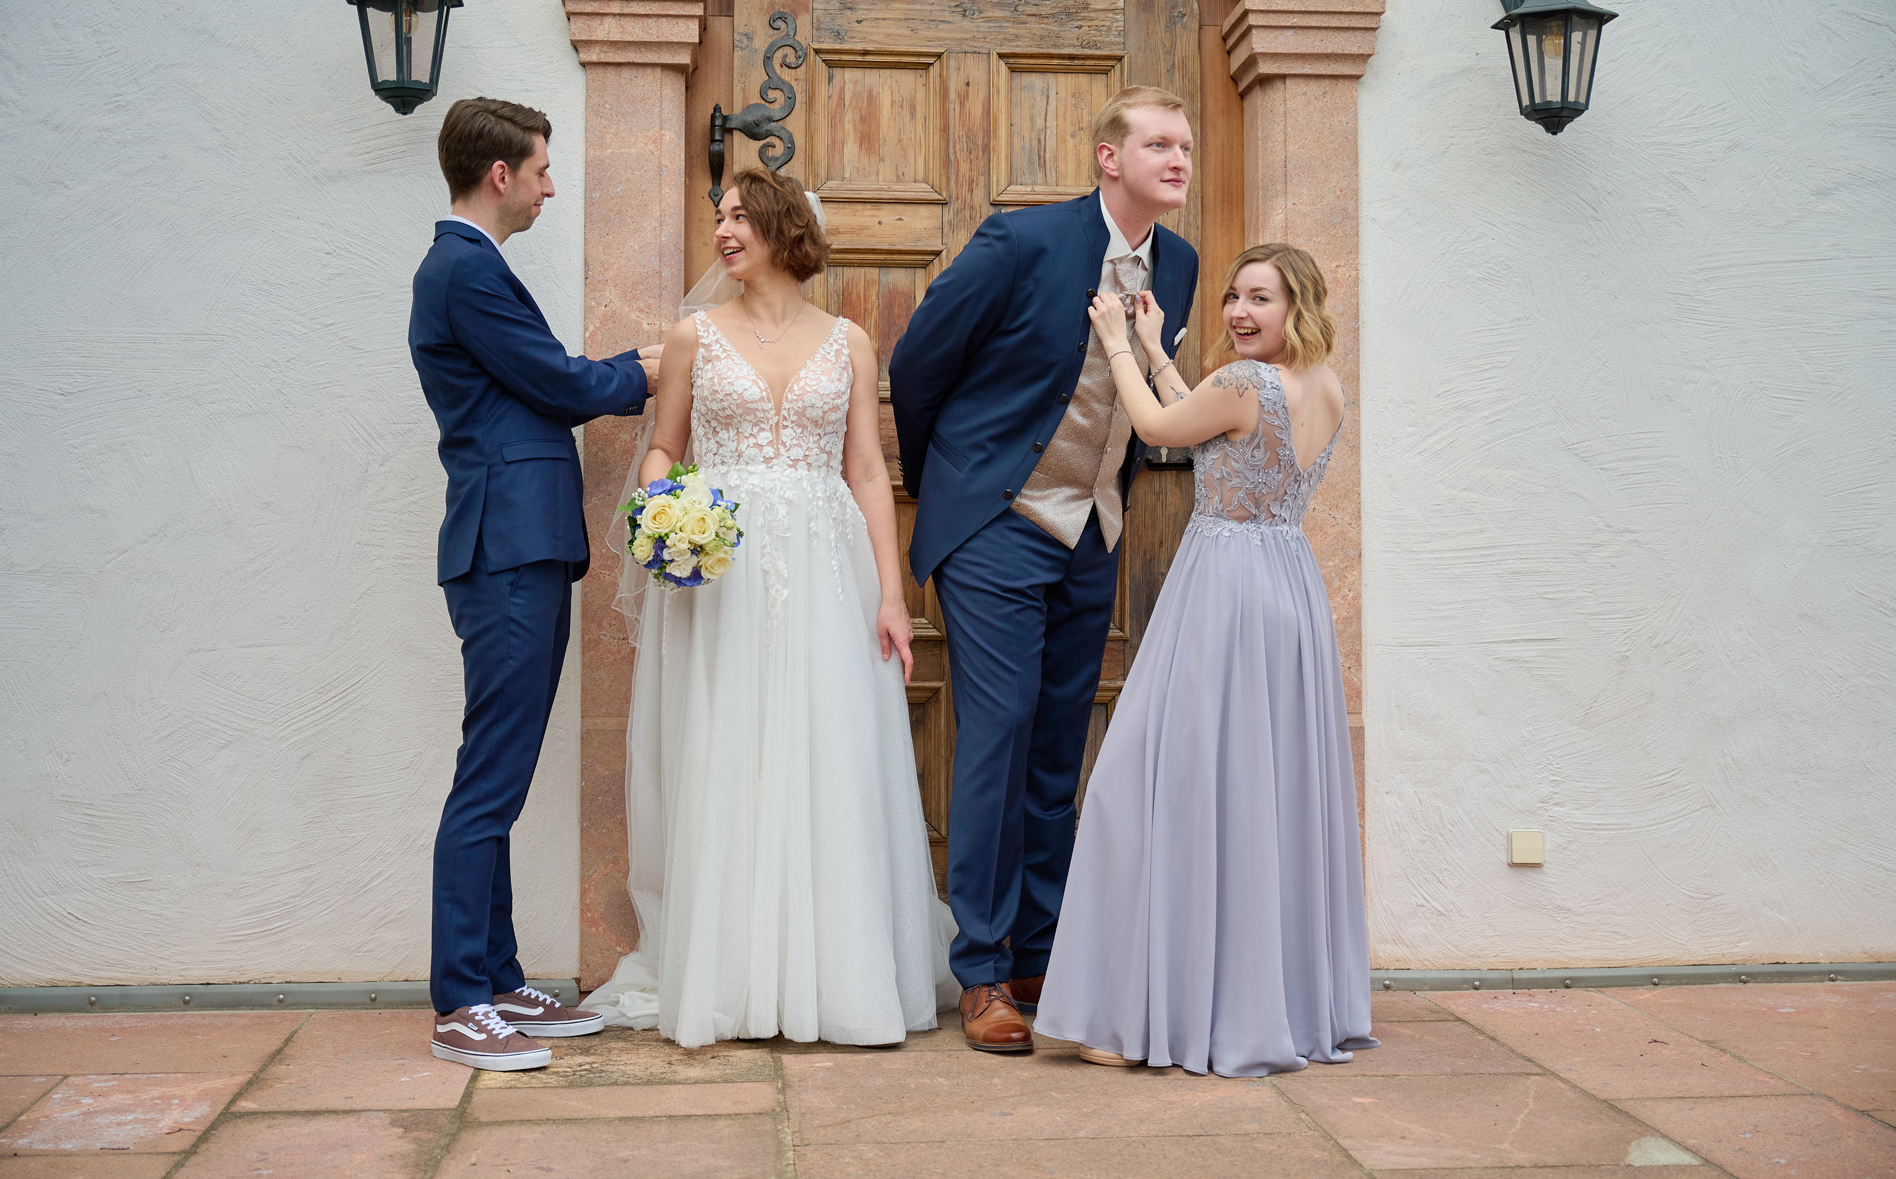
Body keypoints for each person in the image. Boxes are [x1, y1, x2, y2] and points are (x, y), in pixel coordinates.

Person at [583, 167, 957, 1048]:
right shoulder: (694, 337)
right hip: (725, 570)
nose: (723, 230)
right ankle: (733, 977)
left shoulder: (849, 342)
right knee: (731, 749)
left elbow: (866, 471)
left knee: (827, 750)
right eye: (719, 216)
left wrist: (892, 595)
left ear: (785, 228)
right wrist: (665, 511)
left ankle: (836, 975)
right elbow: (664, 448)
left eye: (740, 216)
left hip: (826, 569)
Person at [888, 87, 1199, 1053]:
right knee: (998, 732)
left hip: (1094, 528)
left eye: (1186, 147)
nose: (1179, 159)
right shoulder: (1021, 242)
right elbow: (918, 364)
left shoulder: (1181, 265)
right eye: (1159, 144)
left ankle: (1037, 952)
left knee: (1060, 746)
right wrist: (960, 485)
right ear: (1110, 158)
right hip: (999, 523)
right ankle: (981, 969)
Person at [1033, 245, 1378, 1076]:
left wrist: (1116, 342)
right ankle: (1252, 1001)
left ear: (1298, 305)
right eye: (1233, 295)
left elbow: (1162, 431)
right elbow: (1214, 431)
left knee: (1153, 783)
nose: (1238, 311)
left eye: (1260, 298)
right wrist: (1160, 351)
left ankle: (1149, 1013)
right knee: (1257, 791)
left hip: (1223, 589)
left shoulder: (1245, 382)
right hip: (1287, 585)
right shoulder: (1324, 386)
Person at [409, 97, 662, 1071]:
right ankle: (460, 1001)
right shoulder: (465, 268)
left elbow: (534, 382)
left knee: (502, 774)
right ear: (500, 173)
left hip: (523, 543)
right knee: (491, 776)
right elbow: (556, 384)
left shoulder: (474, 266)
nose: (553, 186)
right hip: (504, 547)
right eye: (543, 169)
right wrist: (645, 370)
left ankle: (498, 974)